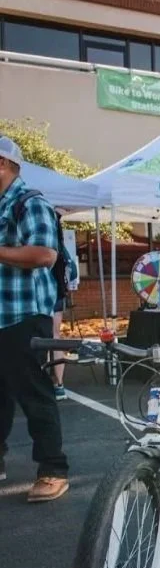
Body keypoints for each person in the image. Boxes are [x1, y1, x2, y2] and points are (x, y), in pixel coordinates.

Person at [0, 135, 70, 501]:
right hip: (2, 315)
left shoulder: (30, 203)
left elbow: (45, 254)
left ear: (3, 164)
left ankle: (53, 469)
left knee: (34, 394)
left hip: (24, 314)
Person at [50, 212, 79, 401]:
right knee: (54, 337)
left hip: (41, 295)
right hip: (57, 295)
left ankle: (49, 382)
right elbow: (74, 271)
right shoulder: (60, 246)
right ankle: (58, 383)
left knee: (40, 339)